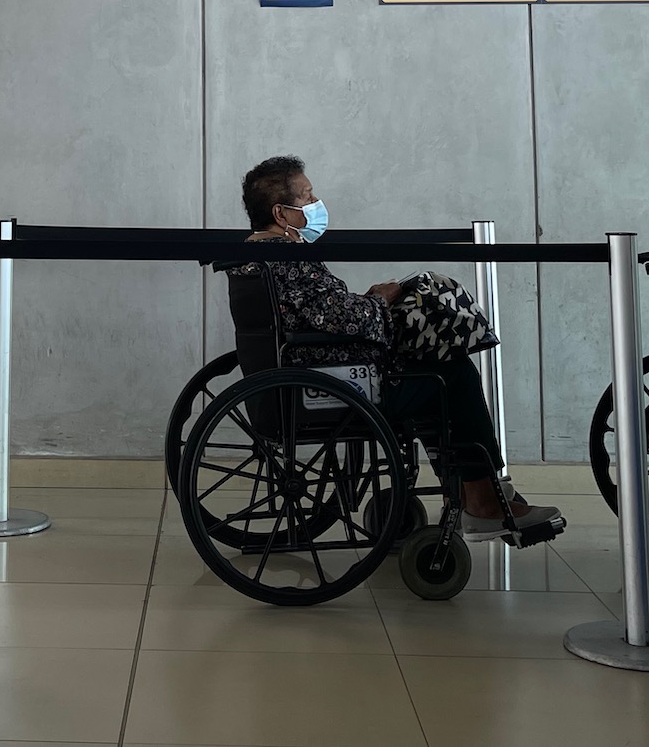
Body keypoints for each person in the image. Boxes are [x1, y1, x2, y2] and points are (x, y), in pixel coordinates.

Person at [234, 156, 560, 536]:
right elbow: (337, 319)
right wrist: (382, 299)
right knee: (451, 374)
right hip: (330, 382)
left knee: (436, 361)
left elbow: (319, 312)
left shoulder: (255, 256)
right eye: (307, 197)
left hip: (313, 371)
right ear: (281, 212)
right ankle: (481, 500)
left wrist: (367, 301)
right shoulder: (286, 258)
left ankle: (475, 492)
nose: (317, 203)